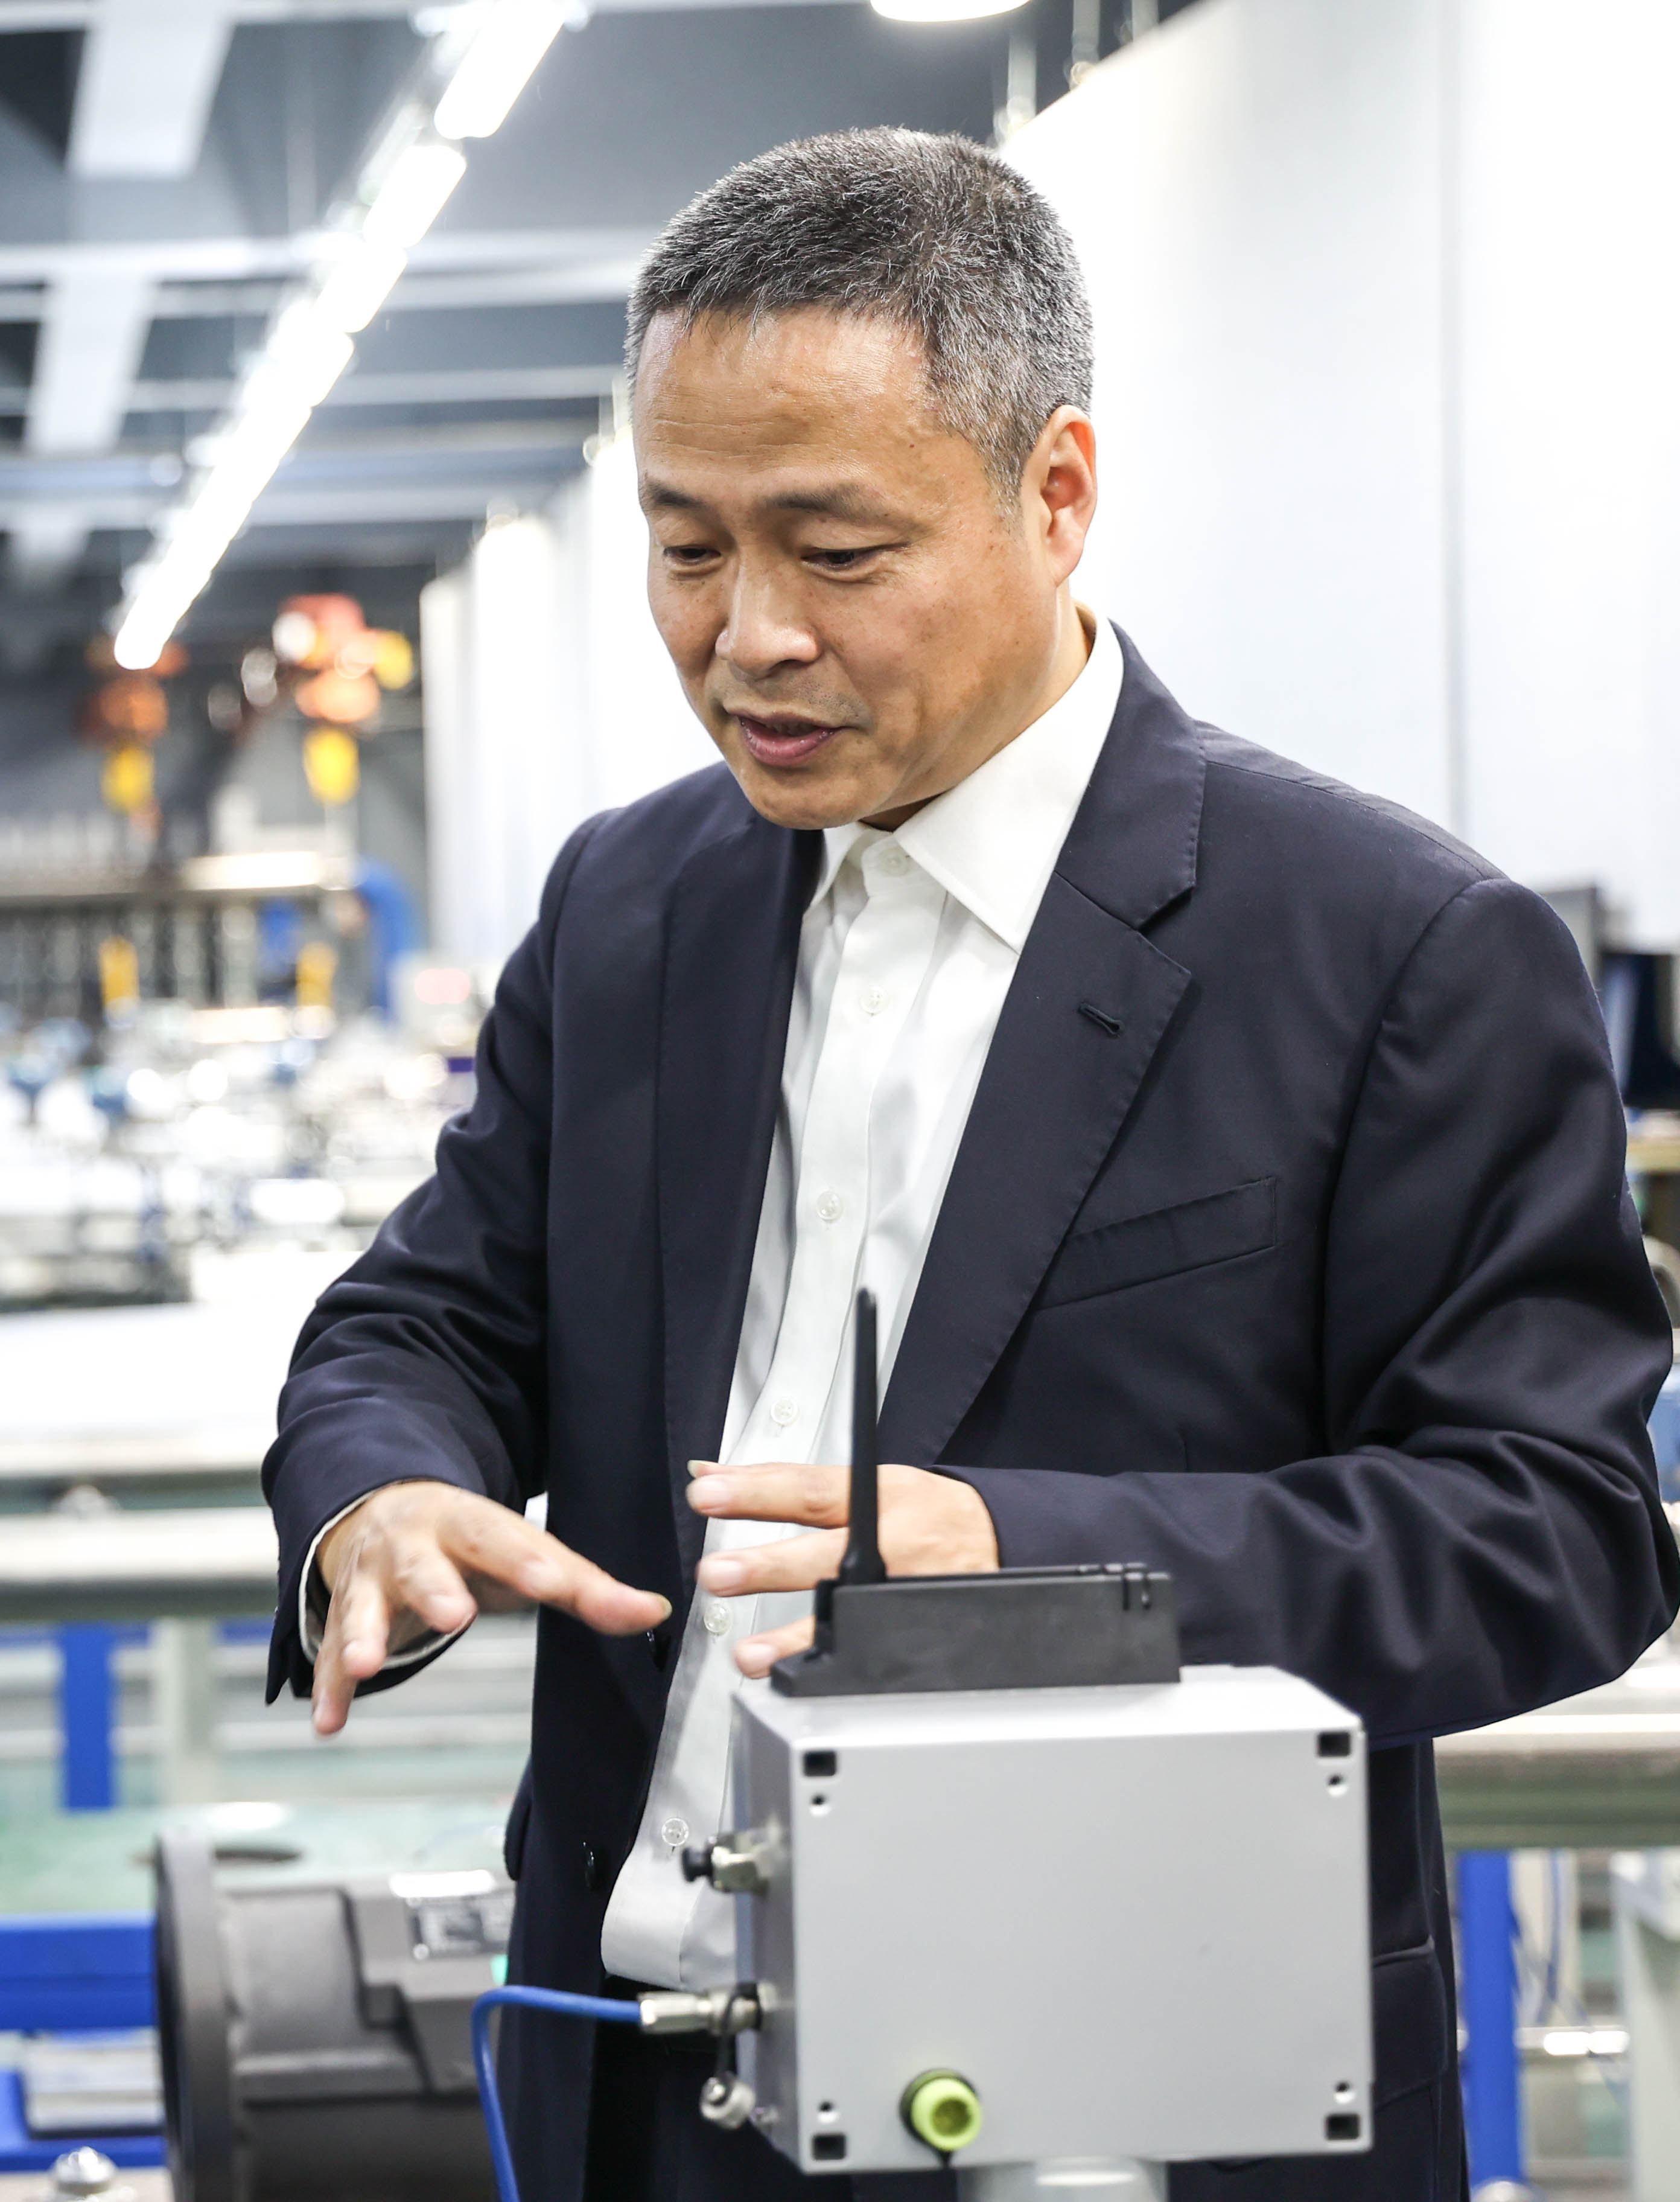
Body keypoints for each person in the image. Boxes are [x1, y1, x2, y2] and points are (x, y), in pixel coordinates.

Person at [267, 127, 1677, 2200]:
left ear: (1058, 494)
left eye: (837, 553)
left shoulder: (1393, 954)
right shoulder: (635, 906)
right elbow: (433, 1313)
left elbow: (1555, 1528)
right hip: (650, 2081)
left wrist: (1031, 1558)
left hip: (1142, 2098)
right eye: (685, 546)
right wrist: (382, 1488)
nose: (748, 636)